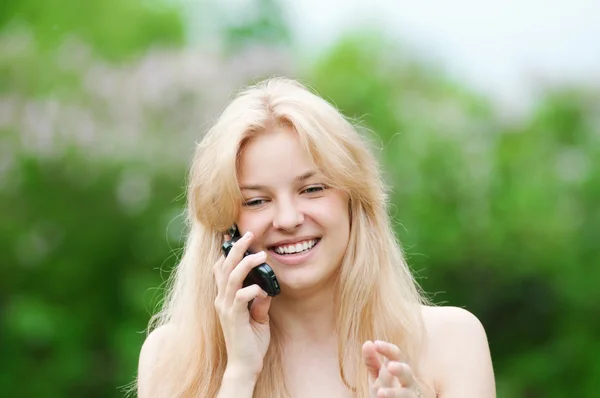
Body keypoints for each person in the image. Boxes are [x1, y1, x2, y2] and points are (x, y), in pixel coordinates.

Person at [136, 77, 496, 398]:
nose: (290, 219)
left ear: (354, 201)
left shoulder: (452, 341)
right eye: (257, 200)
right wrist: (239, 375)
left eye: (312, 189)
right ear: (225, 229)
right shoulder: (170, 359)